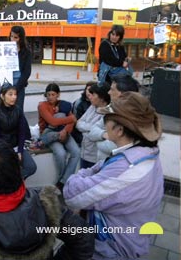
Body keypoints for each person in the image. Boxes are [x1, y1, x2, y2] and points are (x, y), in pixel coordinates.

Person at [64, 92, 163, 260]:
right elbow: (102, 167)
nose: (104, 123)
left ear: (119, 130)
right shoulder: (147, 153)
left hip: (112, 249)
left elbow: (72, 195)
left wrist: (80, 174)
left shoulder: (125, 170)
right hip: (132, 238)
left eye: (107, 119)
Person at [0, 83, 36, 179]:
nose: (14, 97)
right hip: (3, 149)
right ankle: (14, 184)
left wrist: (19, 151)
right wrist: (7, 153)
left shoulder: (18, 110)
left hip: (17, 146)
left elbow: (22, 133)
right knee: (8, 169)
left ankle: (14, 181)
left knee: (31, 167)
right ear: (2, 96)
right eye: (10, 94)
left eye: (15, 94)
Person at [38, 83, 80, 190]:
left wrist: (65, 131)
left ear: (58, 95)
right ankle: (63, 180)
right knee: (61, 153)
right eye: (48, 95)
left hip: (63, 131)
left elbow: (71, 123)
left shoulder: (63, 105)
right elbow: (53, 122)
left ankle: (62, 181)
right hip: (48, 132)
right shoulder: (42, 106)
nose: (50, 97)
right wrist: (71, 119)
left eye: (53, 94)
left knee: (76, 152)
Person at [88, 75, 140, 161]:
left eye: (112, 89)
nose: (109, 92)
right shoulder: (111, 109)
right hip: (102, 164)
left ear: (122, 93)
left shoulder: (132, 116)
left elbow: (111, 147)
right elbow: (92, 132)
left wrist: (97, 140)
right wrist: (104, 135)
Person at [76, 82, 110, 169]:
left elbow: (95, 135)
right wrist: (92, 128)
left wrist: (87, 130)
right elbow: (78, 123)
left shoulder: (108, 114)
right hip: (84, 153)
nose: (90, 97)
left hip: (95, 158)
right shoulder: (92, 107)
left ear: (101, 98)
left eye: (93, 95)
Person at [10, 26, 31, 112]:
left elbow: (27, 72)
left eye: (16, 37)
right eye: (11, 36)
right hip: (6, 85)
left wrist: (17, 88)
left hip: (19, 85)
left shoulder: (26, 51)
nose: (13, 39)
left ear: (21, 38)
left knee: (18, 111)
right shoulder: (4, 49)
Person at [71, 81, 94, 145]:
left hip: (90, 131)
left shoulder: (96, 103)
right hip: (78, 132)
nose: (89, 93)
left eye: (92, 91)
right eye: (88, 90)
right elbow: (76, 122)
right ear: (85, 90)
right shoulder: (79, 103)